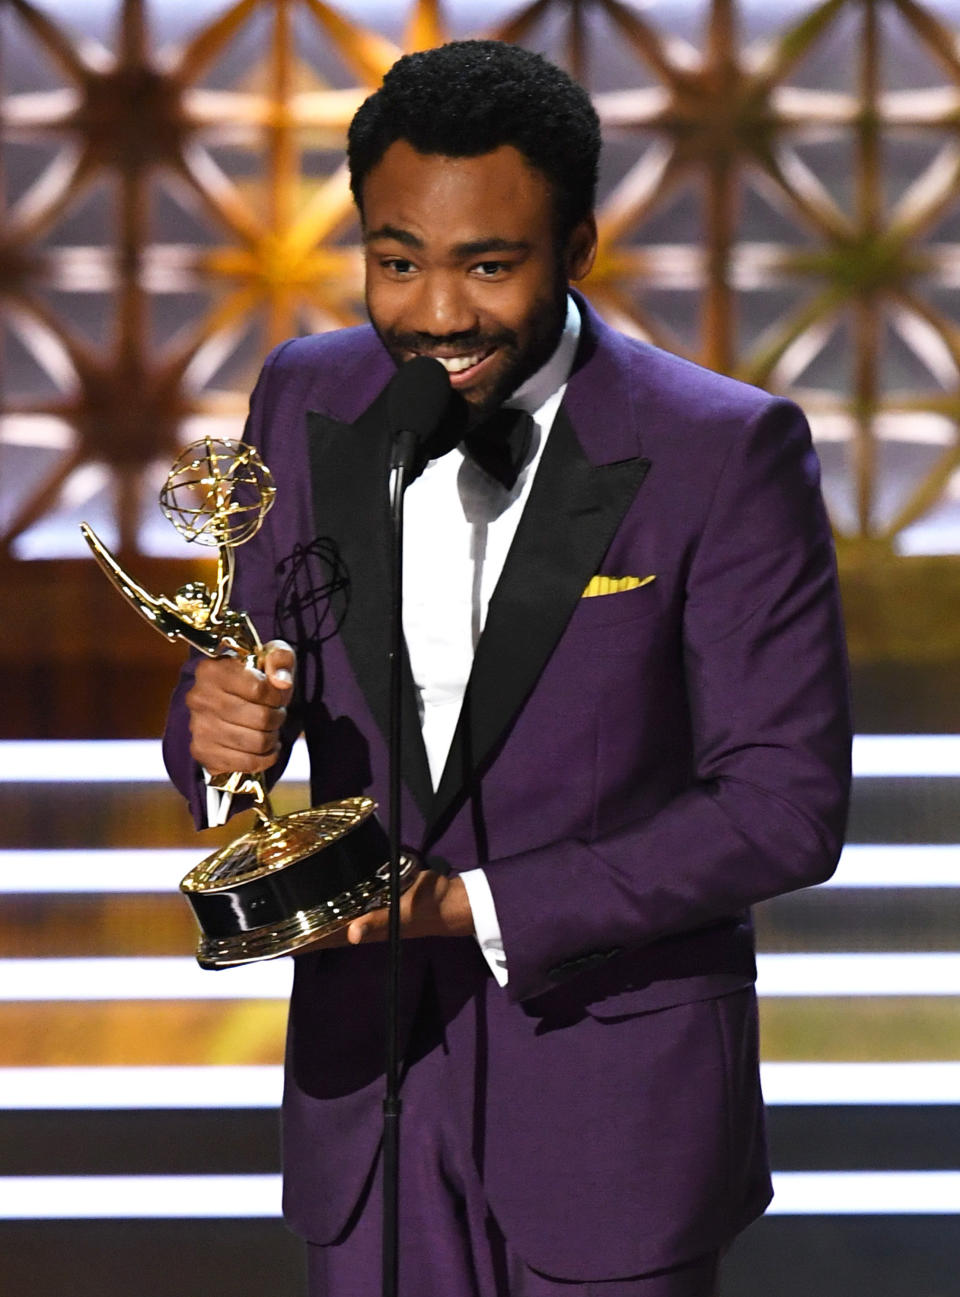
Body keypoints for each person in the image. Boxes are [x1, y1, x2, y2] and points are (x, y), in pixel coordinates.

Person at [163, 39, 851, 1297]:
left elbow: (784, 806)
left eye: (489, 264)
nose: (436, 312)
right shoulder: (303, 397)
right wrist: (223, 743)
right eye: (397, 261)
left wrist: (470, 907)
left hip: (613, 1106)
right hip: (362, 1095)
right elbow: (235, 687)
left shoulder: (724, 449)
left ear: (577, 248)